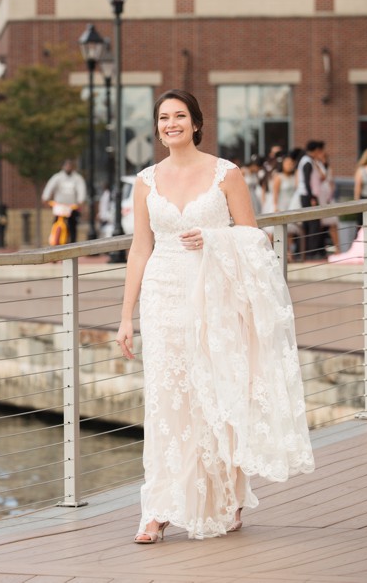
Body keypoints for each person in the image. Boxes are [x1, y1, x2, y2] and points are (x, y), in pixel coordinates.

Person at [115, 89, 314, 544]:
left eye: (180, 116)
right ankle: (159, 508)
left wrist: (213, 240)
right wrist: (126, 316)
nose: (171, 124)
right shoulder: (145, 180)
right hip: (163, 297)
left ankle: (226, 497)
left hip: (215, 296)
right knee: (167, 399)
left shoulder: (227, 174)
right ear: (157, 126)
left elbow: (254, 240)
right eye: (163, 118)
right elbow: (139, 248)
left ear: (196, 123)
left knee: (214, 397)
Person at [41, 159, 87, 243]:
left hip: (72, 207)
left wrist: (81, 201)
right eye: (66, 165)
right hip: (60, 206)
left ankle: (73, 244)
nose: (68, 167)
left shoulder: (77, 178)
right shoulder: (57, 177)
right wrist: (45, 198)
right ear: (63, 166)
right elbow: (50, 187)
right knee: (56, 222)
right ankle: (55, 240)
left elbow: (81, 190)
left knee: (72, 226)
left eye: (70, 166)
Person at [297, 140, 327, 259]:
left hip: (310, 196)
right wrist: (312, 198)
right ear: (315, 151)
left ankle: (311, 251)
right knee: (313, 224)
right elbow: (307, 181)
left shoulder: (310, 161)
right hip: (308, 196)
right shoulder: (307, 162)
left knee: (312, 224)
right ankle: (311, 252)